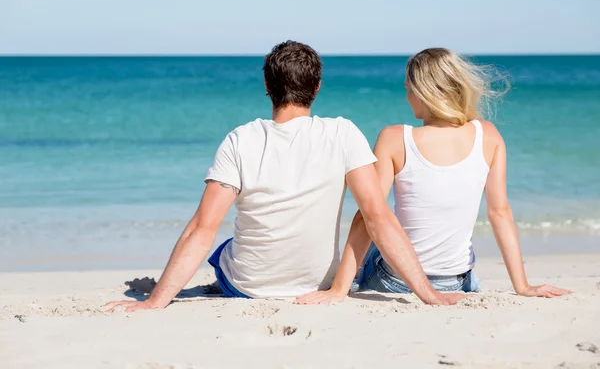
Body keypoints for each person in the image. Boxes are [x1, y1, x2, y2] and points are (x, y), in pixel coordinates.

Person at [105, 42, 465, 313]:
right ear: (317, 86)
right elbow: (378, 217)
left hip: (248, 287)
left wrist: (156, 300)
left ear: (267, 84)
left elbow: (202, 227)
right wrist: (428, 294)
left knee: (220, 250)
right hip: (318, 284)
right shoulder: (343, 133)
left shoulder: (241, 139)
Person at [296, 48, 571, 305]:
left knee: (374, 245)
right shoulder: (488, 136)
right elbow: (500, 213)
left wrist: (338, 290)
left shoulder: (395, 138)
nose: (407, 97)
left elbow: (367, 218)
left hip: (396, 281)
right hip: (457, 282)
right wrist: (522, 285)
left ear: (423, 92)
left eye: (408, 90)